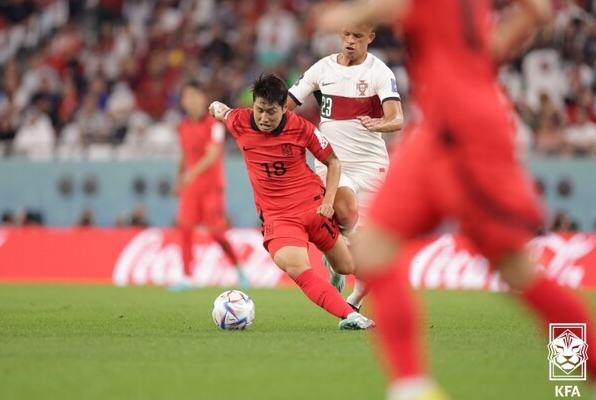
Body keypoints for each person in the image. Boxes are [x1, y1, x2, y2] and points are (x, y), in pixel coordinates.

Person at [317, 1, 596, 399]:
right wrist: (475, 64)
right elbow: (535, 11)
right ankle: (411, 387)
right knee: (373, 251)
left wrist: (346, 16)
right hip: (436, 130)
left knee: (517, 269)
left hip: (468, 134)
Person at [209, 73, 375, 330]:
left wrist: (329, 200)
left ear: (284, 108)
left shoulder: (302, 128)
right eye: (260, 110)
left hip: (313, 207)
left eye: (271, 112)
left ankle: (335, 269)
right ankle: (351, 316)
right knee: (297, 268)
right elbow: (223, 112)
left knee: (347, 266)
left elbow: (333, 162)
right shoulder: (239, 121)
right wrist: (216, 106)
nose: (264, 118)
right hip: (279, 218)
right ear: (253, 105)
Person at [287, 22, 404, 312]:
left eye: (358, 36)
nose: (350, 41)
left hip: (371, 165)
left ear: (370, 38)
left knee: (369, 246)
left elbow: (397, 118)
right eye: (347, 35)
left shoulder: (379, 72)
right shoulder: (322, 69)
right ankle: (337, 257)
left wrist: (379, 123)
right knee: (345, 209)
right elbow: (287, 104)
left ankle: (353, 298)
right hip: (333, 163)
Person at [171, 80, 249, 291]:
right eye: (187, 97)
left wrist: (190, 174)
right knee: (185, 229)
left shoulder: (214, 125)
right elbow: (184, 154)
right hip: (191, 188)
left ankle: (239, 268)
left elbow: (212, 154)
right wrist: (179, 178)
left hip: (212, 187)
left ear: (203, 98)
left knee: (217, 233)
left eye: (195, 96)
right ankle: (187, 277)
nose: (191, 101)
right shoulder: (182, 126)